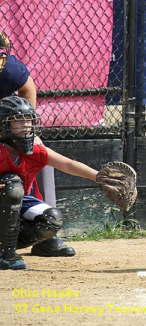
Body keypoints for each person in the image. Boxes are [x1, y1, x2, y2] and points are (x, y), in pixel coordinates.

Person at [0, 96, 101, 270]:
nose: (26, 125)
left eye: (28, 120)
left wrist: (99, 177)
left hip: (14, 208)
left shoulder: (34, 151)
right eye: (17, 120)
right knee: (11, 187)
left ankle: (10, 246)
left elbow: (67, 164)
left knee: (51, 220)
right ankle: (6, 254)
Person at [0, 31, 74, 257]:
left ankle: (44, 236)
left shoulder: (8, 70)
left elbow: (27, 87)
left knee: (26, 162)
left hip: (2, 121)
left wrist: (24, 128)